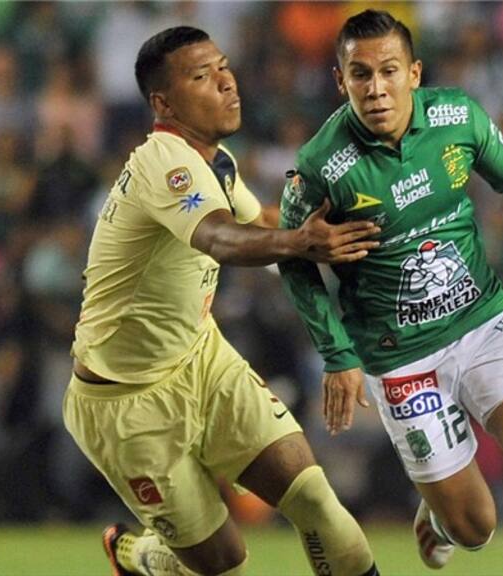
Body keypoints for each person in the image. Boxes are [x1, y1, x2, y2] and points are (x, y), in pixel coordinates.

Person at [63, 26, 381, 576]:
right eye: (201, 76)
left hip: (201, 360)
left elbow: (258, 221)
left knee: (315, 501)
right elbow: (219, 238)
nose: (226, 81)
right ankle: (135, 554)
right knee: (222, 565)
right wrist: (302, 242)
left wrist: (354, 224)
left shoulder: (215, 159)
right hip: (126, 403)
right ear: (164, 102)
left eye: (224, 67)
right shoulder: (165, 162)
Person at [279, 10, 503, 575]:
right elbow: (293, 261)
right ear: (340, 81)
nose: (376, 88)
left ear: (413, 73)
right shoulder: (320, 166)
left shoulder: (456, 115)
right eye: (359, 74)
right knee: (475, 529)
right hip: (399, 356)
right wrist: (338, 354)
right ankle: (438, 516)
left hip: (483, 321)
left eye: (388, 71)